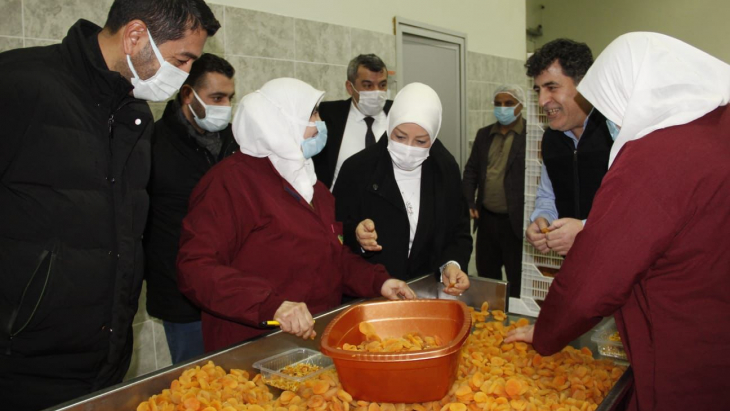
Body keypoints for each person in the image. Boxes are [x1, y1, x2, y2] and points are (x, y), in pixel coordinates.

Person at [0, 0, 219, 409]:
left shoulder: (134, 112)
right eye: (182, 59)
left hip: (105, 355)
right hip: (22, 361)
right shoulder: (19, 85)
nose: (185, 74)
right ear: (135, 36)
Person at [505, 32, 730, 411]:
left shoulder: (657, 155)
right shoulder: (716, 130)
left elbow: (595, 276)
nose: (608, 120)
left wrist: (546, 334)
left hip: (686, 349)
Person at [176, 78, 416, 352]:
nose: (321, 122)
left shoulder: (312, 185)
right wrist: (271, 305)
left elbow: (332, 256)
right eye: (312, 114)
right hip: (249, 345)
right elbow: (195, 268)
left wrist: (379, 281)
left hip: (311, 340)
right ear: (281, 121)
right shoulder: (231, 183)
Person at [333, 82, 471, 294]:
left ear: (433, 138)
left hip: (423, 292)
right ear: (389, 126)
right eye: (400, 137)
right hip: (370, 294)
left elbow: (458, 232)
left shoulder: (445, 169)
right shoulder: (357, 169)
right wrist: (357, 236)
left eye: (421, 141)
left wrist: (451, 264)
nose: (408, 149)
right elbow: (335, 235)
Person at [145, 53, 237, 364]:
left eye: (229, 97)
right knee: (195, 382)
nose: (225, 106)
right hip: (181, 295)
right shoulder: (152, 144)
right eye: (216, 97)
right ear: (188, 94)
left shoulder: (236, 140)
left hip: (232, 288)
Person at [523, 39, 613, 256]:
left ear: (584, 85)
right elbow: (548, 195)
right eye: (538, 90)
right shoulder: (552, 140)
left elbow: (637, 209)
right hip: (576, 262)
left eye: (551, 87)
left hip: (620, 261)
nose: (542, 100)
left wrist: (585, 229)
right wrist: (542, 220)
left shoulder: (616, 134)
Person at [462, 85, 526, 298]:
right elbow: (471, 170)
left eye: (508, 103)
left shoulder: (531, 136)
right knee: (486, 274)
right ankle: (489, 317)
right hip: (487, 219)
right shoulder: (484, 135)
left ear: (521, 105)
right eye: (498, 104)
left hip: (515, 222)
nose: (502, 108)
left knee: (516, 276)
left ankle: (515, 317)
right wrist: (469, 201)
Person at [313, 54, 393, 189]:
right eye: (368, 85)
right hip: (339, 205)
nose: (377, 92)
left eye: (382, 85)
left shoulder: (397, 114)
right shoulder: (326, 115)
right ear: (350, 87)